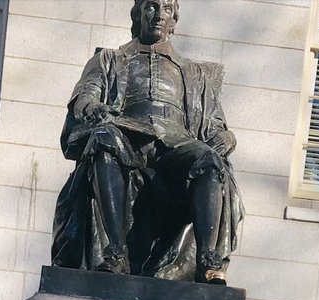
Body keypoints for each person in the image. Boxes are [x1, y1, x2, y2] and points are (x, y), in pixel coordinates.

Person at [51, 0, 244, 283]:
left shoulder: (194, 72)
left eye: (166, 9)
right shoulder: (110, 59)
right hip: (127, 134)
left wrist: (226, 136)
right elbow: (87, 95)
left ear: (174, 20)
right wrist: (92, 106)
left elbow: (214, 123)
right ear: (138, 13)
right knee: (103, 139)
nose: (158, 15)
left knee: (210, 160)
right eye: (151, 7)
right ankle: (115, 252)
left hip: (175, 145)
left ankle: (208, 261)